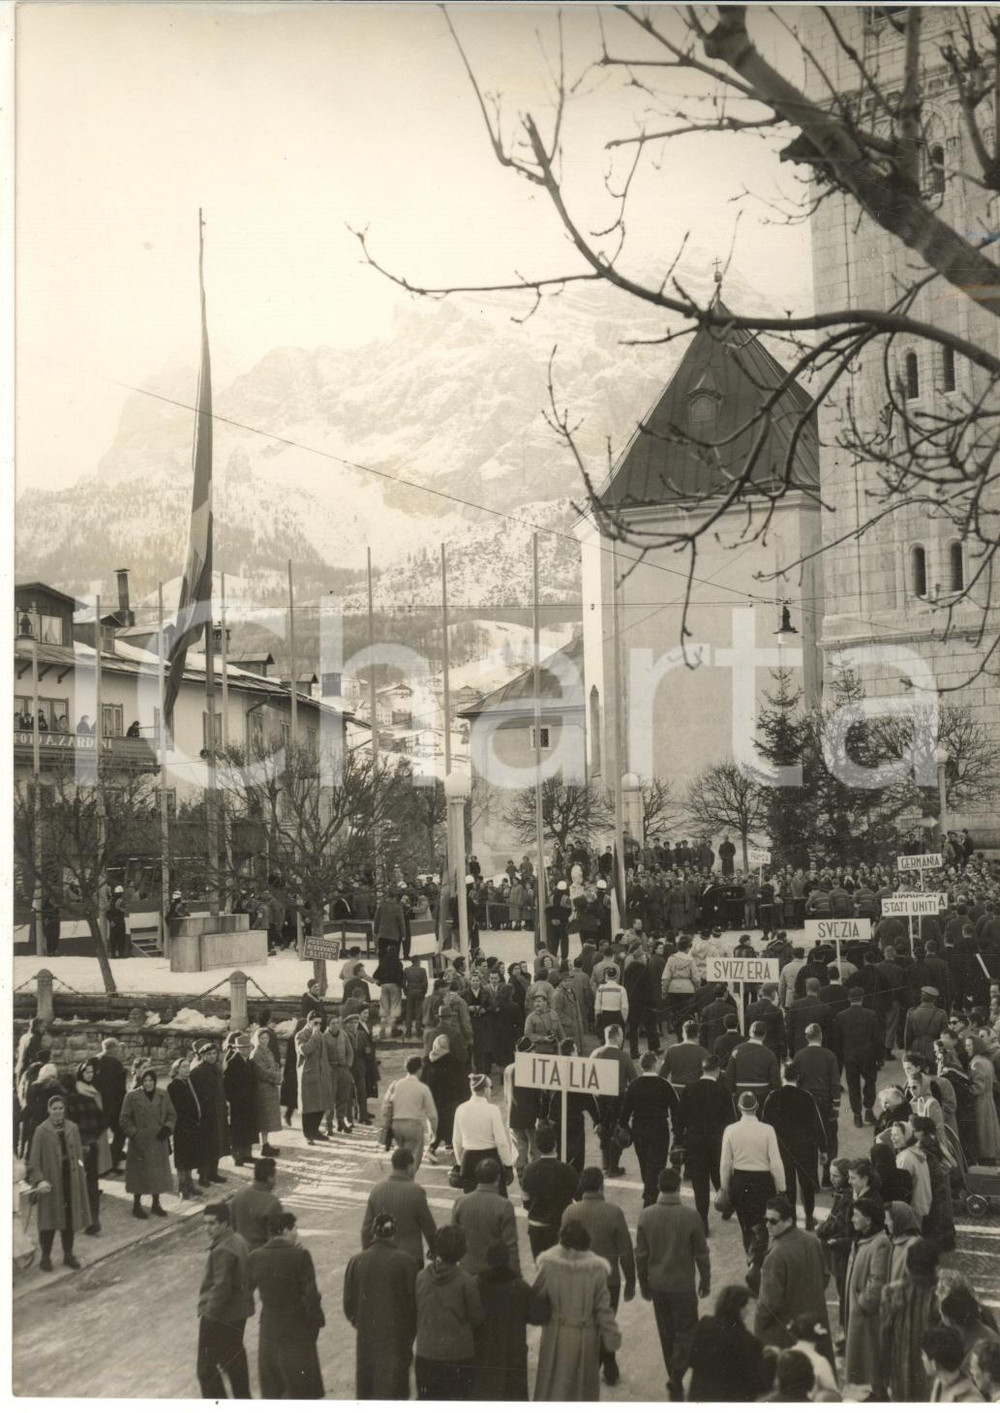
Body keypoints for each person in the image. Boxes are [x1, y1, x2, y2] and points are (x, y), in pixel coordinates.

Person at [635, 1166, 709, 1398]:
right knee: (688, 1332)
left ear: (659, 1187)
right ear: (678, 1187)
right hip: (684, 1286)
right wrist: (705, 1281)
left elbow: (641, 1255)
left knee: (666, 1334)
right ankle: (677, 1374)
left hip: (658, 1286)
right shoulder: (691, 1216)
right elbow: (701, 1254)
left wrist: (643, 1284)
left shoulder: (646, 1215)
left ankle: (673, 1376)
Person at [561, 1166, 636, 1385]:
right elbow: (626, 1251)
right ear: (602, 1185)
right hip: (608, 1281)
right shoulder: (614, 1212)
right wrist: (630, 1281)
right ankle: (609, 1365)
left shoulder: (569, 1213)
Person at [532, 1217, 621, 1401]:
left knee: (553, 1390)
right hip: (584, 1337)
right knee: (580, 1394)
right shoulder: (596, 1270)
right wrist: (611, 1336)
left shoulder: (548, 1265)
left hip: (554, 1335)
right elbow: (604, 1310)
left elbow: (534, 1299)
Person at [249, 1210, 325, 1398]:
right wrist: (316, 1323)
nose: (296, 1233)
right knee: (301, 1391)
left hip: (269, 1331)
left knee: (276, 1391)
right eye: (294, 1229)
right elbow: (311, 1297)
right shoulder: (300, 1255)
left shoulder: (255, 1256)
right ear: (284, 1230)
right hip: (297, 1330)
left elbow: (245, 1292)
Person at [344, 1211, 418, 1399]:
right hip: (398, 1337)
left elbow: (348, 1305)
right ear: (394, 1234)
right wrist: (410, 1331)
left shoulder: (356, 1261)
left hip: (367, 1336)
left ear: (373, 1234)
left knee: (369, 1389)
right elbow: (414, 1305)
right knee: (395, 1390)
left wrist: (361, 1323)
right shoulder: (407, 1261)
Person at [753, 1193, 831, 1357]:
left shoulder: (775, 1256)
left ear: (789, 1221)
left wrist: (759, 1324)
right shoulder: (812, 1241)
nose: (767, 1225)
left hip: (789, 1333)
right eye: (766, 1219)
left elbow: (769, 1304)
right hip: (815, 1323)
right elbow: (825, 1277)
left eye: (773, 1221)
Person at [473, 1238, 551, 1401]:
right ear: (507, 1260)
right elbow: (539, 1315)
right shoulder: (519, 1287)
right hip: (512, 1356)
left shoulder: (476, 1284)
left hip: (483, 1354)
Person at [414, 1224, 484, 1400]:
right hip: (458, 1356)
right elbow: (477, 1319)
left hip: (426, 1354)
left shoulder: (421, 1277)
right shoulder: (467, 1281)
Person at [26, 1093, 91, 1271]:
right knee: (48, 1220)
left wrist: (80, 1171)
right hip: (50, 1183)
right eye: (54, 1108)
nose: (58, 1112)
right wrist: (39, 1180)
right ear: (48, 1110)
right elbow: (34, 1161)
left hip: (70, 1181)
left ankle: (68, 1254)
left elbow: (79, 1156)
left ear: (64, 1109)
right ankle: (45, 1257)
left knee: (68, 1219)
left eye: (61, 1108)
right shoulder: (41, 1130)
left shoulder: (72, 1128)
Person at [673, 1053, 736, 1233]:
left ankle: (703, 1222)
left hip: (695, 1141)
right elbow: (731, 1121)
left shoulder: (689, 1089)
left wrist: (678, 1141)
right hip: (717, 1143)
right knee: (720, 1178)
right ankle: (727, 1206)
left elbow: (679, 1119)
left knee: (699, 1183)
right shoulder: (723, 1092)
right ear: (716, 1071)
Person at [196, 1202, 253, 1399]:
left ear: (225, 1223)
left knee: (206, 1369)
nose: (207, 1229)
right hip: (239, 1313)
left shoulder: (223, 1249)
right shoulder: (238, 1240)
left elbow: (221, 1288)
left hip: (220, 1316)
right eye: (205, 1223)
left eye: (212, 1224)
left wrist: (209, 1316)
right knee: (233, 1360)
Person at [761, 1061, 827, 1230]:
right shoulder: (806, 1096)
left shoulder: (773, 1096)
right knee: (807, 1184)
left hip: (783, 1149)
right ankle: (809, 1219)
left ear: (781, 1076)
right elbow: (817, 1125)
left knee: (788, 1185)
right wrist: (823, 1149)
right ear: (798, 1077)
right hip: (806, 1148)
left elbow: (765, 1126)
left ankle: (792, 1221)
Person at [720, 1091, 785, 1251]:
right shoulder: (768, 1130)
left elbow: (725, 1164)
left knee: (746, 1225)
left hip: (740, 1182)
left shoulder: (730, 1130)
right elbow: (776, 1163)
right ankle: (760, 1258)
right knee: (763, 1225)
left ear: (739, 1108)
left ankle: (751, 1259)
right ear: (757, 1107)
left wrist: (725, 1188)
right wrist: (782, 1189)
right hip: (763, 1181)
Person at [881, 1238, 942, 1400]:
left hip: (900, 1370)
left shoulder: (893, 1293)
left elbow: (885, 1336)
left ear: (907, 1267)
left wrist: (884, 1373)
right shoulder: (940, 1295)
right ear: (935, 1268)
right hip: (932, 1373)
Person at [843, 1193, 891, 1397]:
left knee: (870, 1363)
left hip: (866, 1317)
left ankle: (876, 1396)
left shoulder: (880, 1243)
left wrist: (862, 1304)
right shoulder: (863, 1238)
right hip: (858, 1313)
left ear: (869, 1219)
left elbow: (877, 1281)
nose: (852, 1219)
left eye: (856, 1215)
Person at [688, 1284, 767, 1402]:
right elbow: (759, 1384)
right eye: (746, 1307)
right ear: (740, 1308)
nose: (748, 1311)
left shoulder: (704, 1325)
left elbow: (691, 1359)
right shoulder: (750, 1342)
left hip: (699, 1397)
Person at [619, 1050, 678, 1206]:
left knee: (644, 1162)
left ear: (641, 1066)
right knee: (658, 1164)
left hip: (639, 1128)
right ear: (655, 1064)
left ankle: (649, 1192)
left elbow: (624, 1113)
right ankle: (651, 1197)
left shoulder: (634, 1085)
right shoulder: (665, 1085)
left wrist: (626, 1129)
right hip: (659, 1128)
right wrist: (677, 1134)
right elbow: (677, 1112)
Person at [362, 1147, 437, 1268]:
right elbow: (429, 1228)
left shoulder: (377, 1190)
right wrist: (435, 1252)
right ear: (410, 1167)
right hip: (411, 1258)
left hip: (382, 1259)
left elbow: (366, 1230)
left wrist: (367, 1255)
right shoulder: (416, 1191)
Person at [120, 1066, 175, 1219]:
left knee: (157, 1173)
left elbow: (171, 1114)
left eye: (151, 1080)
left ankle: (156, 1203)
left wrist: (167, 1128)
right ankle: (136, 1205)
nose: (148, 1083)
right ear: (141, 1081)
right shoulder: (131, 1097)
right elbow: (124, 1119)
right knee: (139, 1173)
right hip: (140, 1141)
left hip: (158, 1140)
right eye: (145, 1080)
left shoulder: (163, 1095)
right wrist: (135, 1133)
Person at [451, 1156, 519, 1275]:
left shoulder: (460, 1202)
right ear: (498, 1178)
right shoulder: (504, 1205)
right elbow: (510, 1246)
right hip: (494, 1273)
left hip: (466, 1269)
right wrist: (515, 1277)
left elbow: (453, 1239)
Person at [521, 1123, 579, 1260]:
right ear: (555, 1144)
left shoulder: (529, 1170)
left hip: (537, 1227)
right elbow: (577, 1197)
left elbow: (526, 1201)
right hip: (560, 1227)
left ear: (537, 1145)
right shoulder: (568, 1170)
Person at [452, 1073, 514, 1195]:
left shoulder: (460, 1109)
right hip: (490, 1158)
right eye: (490, 1087)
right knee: (497, 1199)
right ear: (485, 1089)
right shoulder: (492, 1110)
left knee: (472, 1201)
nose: (491, 1091)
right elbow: (501, 1142)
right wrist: (508, 1165)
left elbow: (456, 1140)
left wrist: (460, 1162)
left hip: (468, 1158)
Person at [71, 1059, 111, 1236]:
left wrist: (92, 1137)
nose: (90, 1075)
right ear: (80, 1073)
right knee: (83, 1183)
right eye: (87, 1072)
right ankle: (86, 1219)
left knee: (91, 1183)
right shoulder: (77, 1093)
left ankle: (92, 1220)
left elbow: (102, 1120)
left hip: (90, 1145)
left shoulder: (92, 1090)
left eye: (92, 1072)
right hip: (79, 1147)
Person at [834, 986, 883, 1126]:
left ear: (849, 999)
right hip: (868, 1056)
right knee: (870, 1083)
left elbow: (837, 1041)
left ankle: (857, 1116)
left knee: (853, 1086)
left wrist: (841, 1059)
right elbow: (878, 1038)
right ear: (862, 998)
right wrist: (879, 1057)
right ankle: (868, 1111)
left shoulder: (840, 1016)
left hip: (850, 1057)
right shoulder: (871, 1014)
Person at [381, 1055, 437, 1171]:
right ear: (419, 1069)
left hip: (397, 1126)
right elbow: (432, 1115)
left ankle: (401, 1180)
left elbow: (386, 1106)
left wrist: (387, 1125)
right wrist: (433, 1133)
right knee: (412, 1161)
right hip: (413, 1126)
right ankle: (407, 1183)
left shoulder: (395, 1084)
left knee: (402, 1157)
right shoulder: (423, 1088)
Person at [422, 1034, 468, 1159]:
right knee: (450, 1123)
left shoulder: (427, 1060)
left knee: (435, 1125)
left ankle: (433, 1147)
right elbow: (462, 1082)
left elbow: (423, 1080)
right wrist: (465, 1098)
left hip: (433, 1099)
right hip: (450, 1100)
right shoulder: (454, 1061)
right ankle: (449, 1145)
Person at [190, 1043, 230, 1183]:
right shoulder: (197, 1072)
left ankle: (213, 1173)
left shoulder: (217, 1069)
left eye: (214, 1054)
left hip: (218, 1112)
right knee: (206, 1145)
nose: (212, 1056)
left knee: (217, 1144)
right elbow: (194, 1095)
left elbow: (221, 1090)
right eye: (209, 1054)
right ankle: (203, 1175)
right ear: (202, 1056)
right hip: (206, 1114)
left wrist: (224, 1106)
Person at [167, 1057, 204, 1200]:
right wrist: (187, 1122)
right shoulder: (174, 1086)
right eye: (183, 1067)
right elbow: (177, 1109)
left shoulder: (188, 1083)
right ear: (176, 1069)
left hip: (192, 1125)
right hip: (182, 1126)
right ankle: (182, 1187)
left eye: (188, 1066)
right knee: (182, 1158)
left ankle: (190, 1184)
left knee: (190, 1157)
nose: (186, 1069)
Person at [228, 1156, 281, 1250]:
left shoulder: (239, 1195)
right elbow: (275, 1240)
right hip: (262, 1256)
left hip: (240, 1253)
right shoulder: (272, 1202)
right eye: (275, 1177)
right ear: (269, 1178)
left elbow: (232, 1225)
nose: (276, 1181)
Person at [921, 1325, 980, 1403]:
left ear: (934, 1364)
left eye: (923, 1355)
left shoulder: (971, 1401)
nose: (922, 1358)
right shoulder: (939, 1383)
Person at [223, 1032, 257, 1167]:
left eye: (248, 1048)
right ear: (238, 1049)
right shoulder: (233, 1063)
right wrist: (233, 1100)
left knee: (247, 1129)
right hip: (238, 1103)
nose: (247, 1050)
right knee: (238, 1130)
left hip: (248, 1102)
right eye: (243, 1048)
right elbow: (227, 1085)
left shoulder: (248, 1061)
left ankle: (247, 1155)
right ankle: (237, 1156)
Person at [966, 1033, 1000, 1163]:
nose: (966, 1048)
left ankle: (986, 1159)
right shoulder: (986, 1061)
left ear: (976, 1046)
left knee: (983, 1134)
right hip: (988, 1100)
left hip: (981, 1102)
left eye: (969, 1045)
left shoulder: (976, 1063)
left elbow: (978, 1087)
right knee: (990, 1134)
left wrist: (966, 1091)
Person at [321, 1014, 356, 1134]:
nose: (335, 1025)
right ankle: (329, 1126)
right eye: (332, 1023)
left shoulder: (344, 1035)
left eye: (337, 1023)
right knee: (330, 1099)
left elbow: (350, 1052)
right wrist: (327, 1069)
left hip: (344, 1070)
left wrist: (348, 1066)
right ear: (328, 1025)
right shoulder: (324, 1037)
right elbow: (323, 1056)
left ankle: (341, 1122)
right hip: (331, 1071)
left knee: (343, 1098)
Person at [250, 1028, 282, 1157]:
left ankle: (266, 1143)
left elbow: (274, 1065)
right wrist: (276, 1077)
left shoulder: (268, 1051)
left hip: (270, 1087)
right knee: (264, 1118)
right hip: (263, 1088)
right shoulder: (256, 1053)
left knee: (268, 1118)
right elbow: (261, 1071)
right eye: (262, 1038)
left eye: (266, 1038)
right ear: (257, 1039)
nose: (265, 1041)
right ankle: (264, 1145)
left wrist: (277, 1073)